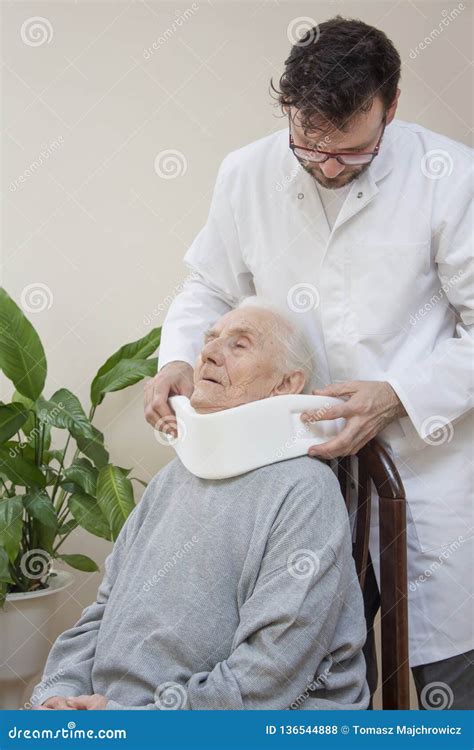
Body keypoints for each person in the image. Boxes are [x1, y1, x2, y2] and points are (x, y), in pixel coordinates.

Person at [145, 17, 473, 709]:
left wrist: (399, 395)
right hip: (294, 479)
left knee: (452, 685)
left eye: (351, 154)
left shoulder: (451, 176)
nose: (327, 168)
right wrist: (177, 357)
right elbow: (206, 286)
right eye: (309, 148)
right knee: (303, 677)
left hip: (429, 469)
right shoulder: (247, 173)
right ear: (288, 113)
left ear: (393, 103)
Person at [30, 301, 369, 711]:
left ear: (286, 384)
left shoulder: (305, 492)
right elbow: (102, 614)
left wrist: (136, 724)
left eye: (239, 345)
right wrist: (57, 694)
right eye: (209, 340)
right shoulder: (171, 479)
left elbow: (272, 672)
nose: (208, 353)